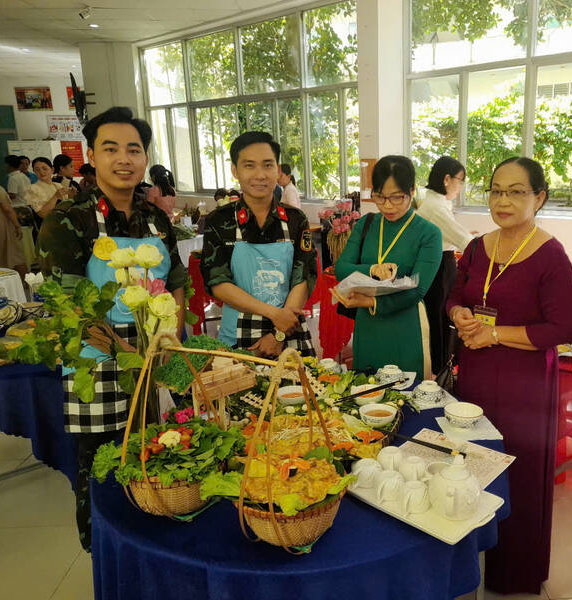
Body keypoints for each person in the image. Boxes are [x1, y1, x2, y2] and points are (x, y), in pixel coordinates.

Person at [38, 106, 188, 553]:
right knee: (101, 465)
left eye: (134, 150)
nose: (124, 159)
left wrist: (166, 335)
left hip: (152, 356)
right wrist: (126, 350)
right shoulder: (69, 220)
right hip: (97, 360)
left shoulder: (157, 220)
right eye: (111, 149)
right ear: (91, 155)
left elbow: (176, 284)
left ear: (144, 158)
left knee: (154, 452)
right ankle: (104, 554)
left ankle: (151, 547)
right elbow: (68, 307)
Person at [446, 157, 572, 594]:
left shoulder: (551, 255)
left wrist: (494, 333)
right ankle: (469, 562)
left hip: (524, 384)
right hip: (478, 375)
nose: (503, 200)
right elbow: (456, 295)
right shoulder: (480, 246)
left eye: (516, 191)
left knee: (517, 474)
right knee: (474, 463)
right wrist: (461, 315)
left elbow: (560, 329)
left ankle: (515, 575)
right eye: (496, 190)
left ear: (539, 197)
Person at [200, 131, 317, 357]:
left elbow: (302, 276)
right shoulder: (219, 220)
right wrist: (274, 315)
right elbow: (218, 282)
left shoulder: (295, 220)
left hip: (288, 333)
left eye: (267, 165)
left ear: (278, 169)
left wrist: (278, 333)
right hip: (237, 336)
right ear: (235, 170)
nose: (260, 175)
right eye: (249, 166)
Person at [335, 155, 442, 378]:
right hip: (368, 325)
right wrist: (372, 270)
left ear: (412, 191)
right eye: (380, 197)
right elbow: (342, 268)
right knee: (366, 390)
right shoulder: (367, 224)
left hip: (405, 325)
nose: (387, 205)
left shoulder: (429, 233)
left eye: (396, 197)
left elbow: (418, 290)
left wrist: (372, 301)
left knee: (405, 394)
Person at [415, 156, 473, 374]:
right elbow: (465, 241)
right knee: (438, 319)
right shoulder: (434, 207)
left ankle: (441, 366)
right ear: (447, 179)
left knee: (440, 317)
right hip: (438, 268)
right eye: (460, 180)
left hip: (442, 264)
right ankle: (439, 370)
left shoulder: (438, 203)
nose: (461, 187)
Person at [27, 157, 69, 222]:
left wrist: (72, 196)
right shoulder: (32, 189)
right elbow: (43, 214)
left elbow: (67, 207)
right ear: (34, 172)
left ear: (52, 169)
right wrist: (56, 196)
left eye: (44, 169)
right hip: (47, 226)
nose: (41, 172)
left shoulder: (58, 185)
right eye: (37, 170)